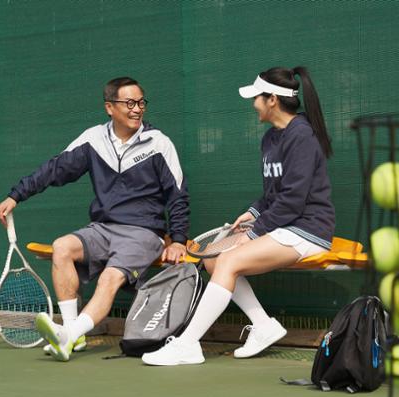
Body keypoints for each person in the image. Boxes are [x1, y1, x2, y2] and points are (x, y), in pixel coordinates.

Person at [142, 66, 335, 366]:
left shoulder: (301, 136)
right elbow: (274, 194)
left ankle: (188, 344)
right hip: (284, 227)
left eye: (256, 97)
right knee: (212, 260)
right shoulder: (270, 139)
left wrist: (253, 234)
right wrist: (252, 213)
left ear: (272, 99)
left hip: (308, 230)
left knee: (229, 260)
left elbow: (293, 201)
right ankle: (264, 325)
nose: (253, 103)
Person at [0, 77, 189, 362]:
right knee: (62, 247)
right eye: (129, 103)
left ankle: (68, 335)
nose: (137, 109)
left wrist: (180, 239)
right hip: (102, 228)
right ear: (110, 107)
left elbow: (179, 194)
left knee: (110, 278)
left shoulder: (159, 143)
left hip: (144, 233)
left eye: (141, 103)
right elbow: (54, 169)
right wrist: (16, 196)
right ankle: (76, 337)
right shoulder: (93, 140)